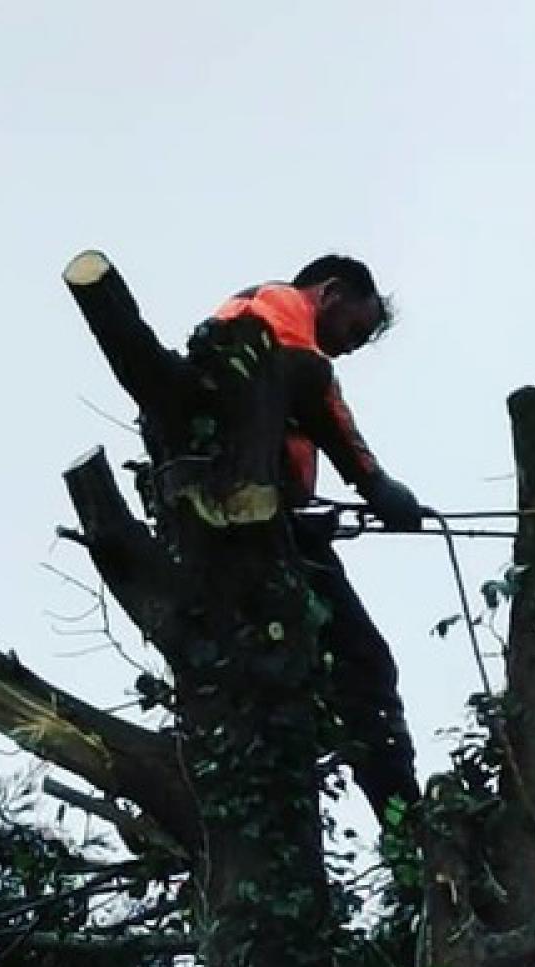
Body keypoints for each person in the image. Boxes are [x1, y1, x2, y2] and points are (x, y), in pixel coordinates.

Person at [192, 255, 427, 824]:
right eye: (354, 330)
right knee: (364, 663)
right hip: (256, 526)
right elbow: (318, 396)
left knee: (295, 671)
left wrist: (305, 516)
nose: (349, 347)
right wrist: (376, 486)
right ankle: (406, 822)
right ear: (330, 293)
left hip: (255, 520)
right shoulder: (274, 310)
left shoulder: (243, 321)